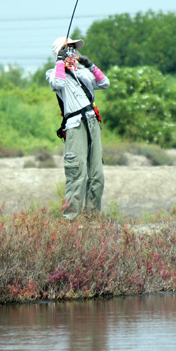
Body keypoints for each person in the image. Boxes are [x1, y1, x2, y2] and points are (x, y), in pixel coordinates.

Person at [46, 36, 110, 219]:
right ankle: (70, 219)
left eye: (74, 48)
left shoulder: (83, 72)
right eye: (68, 49)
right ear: (60, 52)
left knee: (97, 175)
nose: (73, 51)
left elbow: (105, 83)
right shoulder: (53, 73)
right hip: (75, 126)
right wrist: (60, 61)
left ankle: (92, 217)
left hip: (92, 123)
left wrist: (89, 65)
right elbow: (58, 84)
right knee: (77, 173)